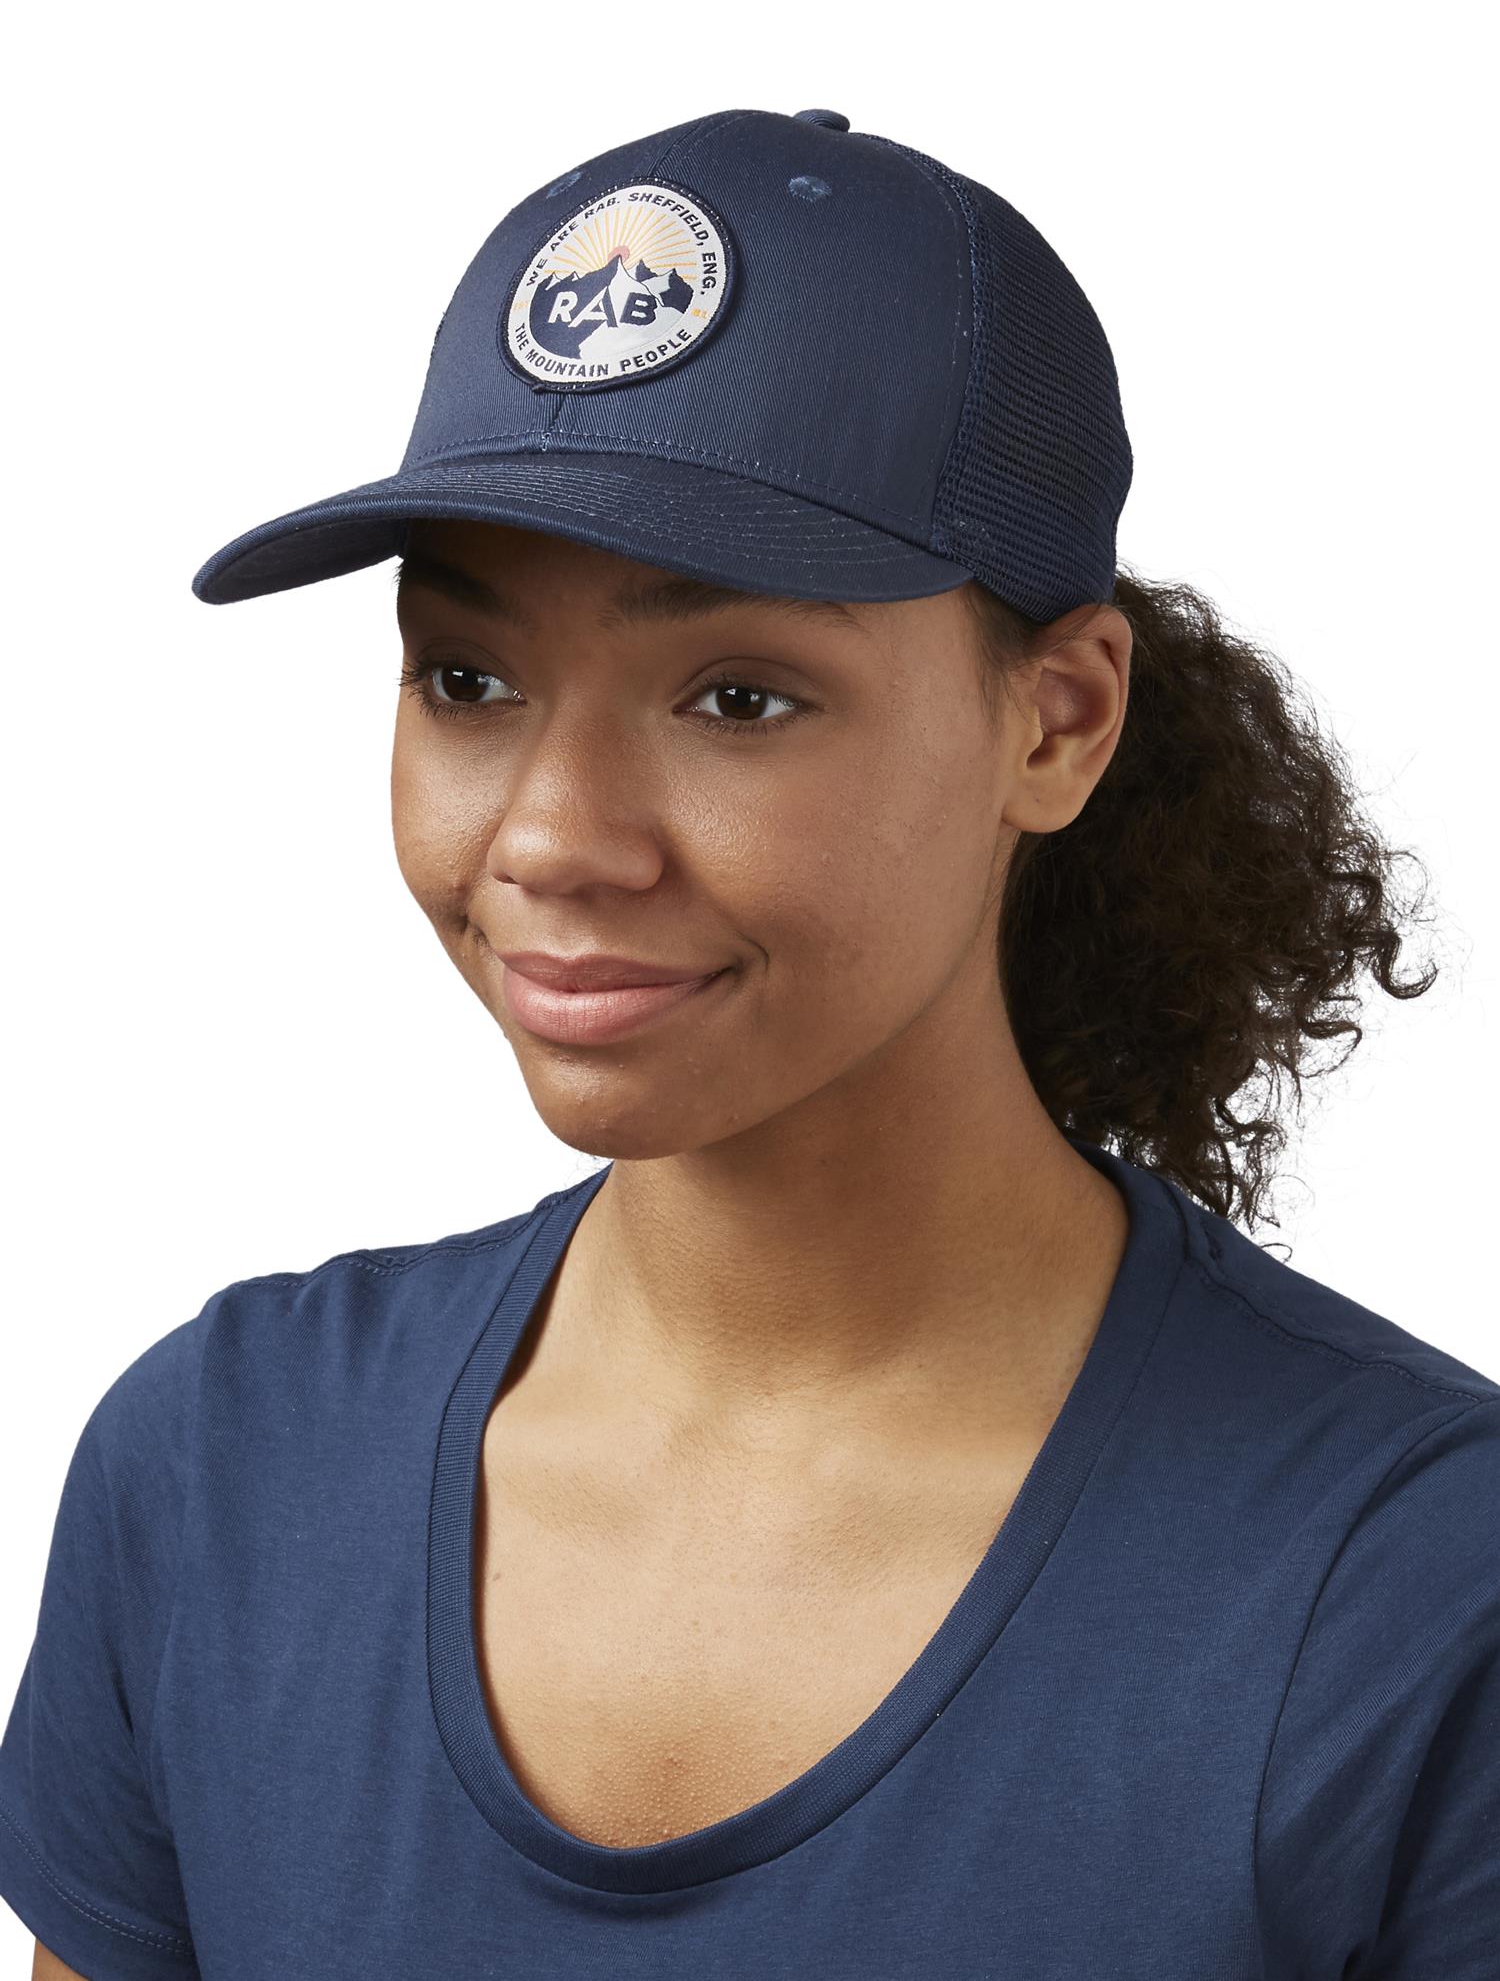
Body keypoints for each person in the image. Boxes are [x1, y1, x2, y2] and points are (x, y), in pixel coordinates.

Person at [4, 106, 1496, 1980]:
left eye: (736, 697)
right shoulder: (220, 1477)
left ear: (1057, 720)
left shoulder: (1413, 1593)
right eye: (468, 678)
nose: (553, 835)